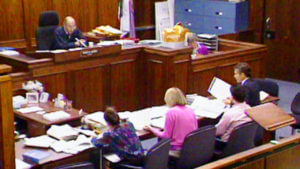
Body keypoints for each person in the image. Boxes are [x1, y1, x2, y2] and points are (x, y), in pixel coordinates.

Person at [145, 87, 198, 157]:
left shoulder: (171, 112)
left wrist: (151, 129)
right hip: (190, 149)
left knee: (150, 153)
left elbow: (166, 136)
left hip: (176, 151)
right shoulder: (190, 110)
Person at [215, 84, 253, 149]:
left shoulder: (229, 113)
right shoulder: (250, 109)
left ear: (232, 97)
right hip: (244, 143)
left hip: (225, 145)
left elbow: (218, 132)